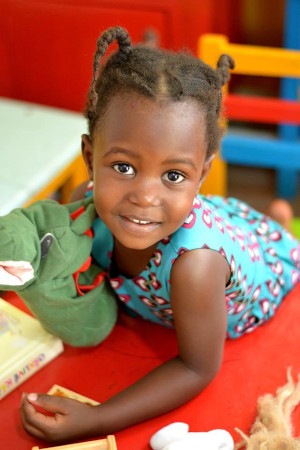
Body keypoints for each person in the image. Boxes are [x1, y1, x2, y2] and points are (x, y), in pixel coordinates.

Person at [20, 26, 300, 443]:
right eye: (123, 167)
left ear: (201, 174)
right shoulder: (87, 201)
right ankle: (270, 217)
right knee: (226, 218)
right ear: (90, 156)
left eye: (173, 175)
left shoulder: (195, 267)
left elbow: (196, 368)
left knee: (273, 240)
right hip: (207, 222)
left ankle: (279, 225)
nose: (145, 197)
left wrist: (99, 418)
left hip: (257, 264)